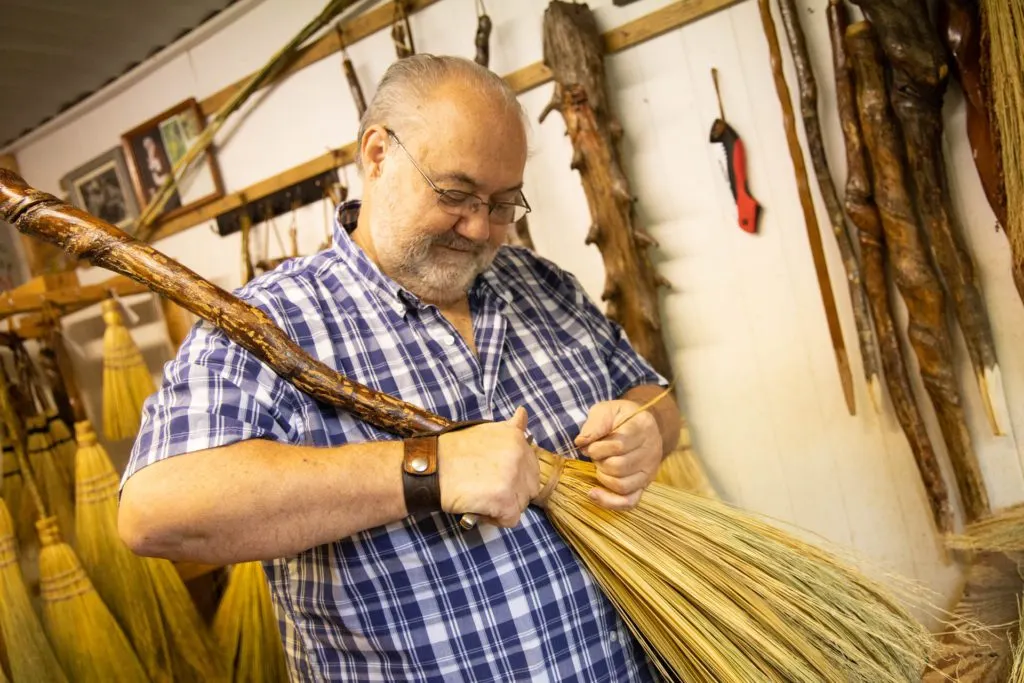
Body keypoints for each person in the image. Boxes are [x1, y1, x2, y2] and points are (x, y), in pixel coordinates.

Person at [120, 54, 681, 682]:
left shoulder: (544, 285)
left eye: (502, 204)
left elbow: (653, 395)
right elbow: (155, 512)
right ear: (378, 155)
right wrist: (425, 470)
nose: (478, 228)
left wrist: (645, 429)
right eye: (455, 193)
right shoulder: (265, 323)